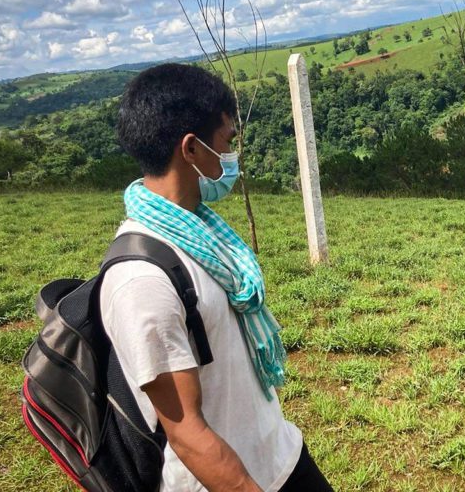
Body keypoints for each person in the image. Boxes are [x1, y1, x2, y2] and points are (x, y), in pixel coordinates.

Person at [102, 62, 332, 491]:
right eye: (227, 142)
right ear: (190, 149)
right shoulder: (141, 281)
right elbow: (186, 432)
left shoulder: (202, 232)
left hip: (279, 453)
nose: (232, 156)